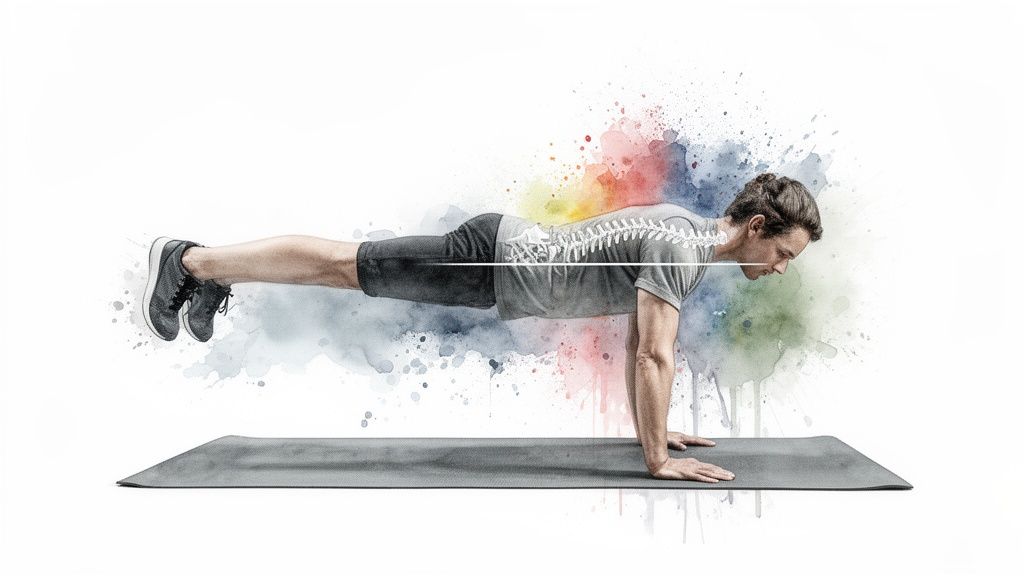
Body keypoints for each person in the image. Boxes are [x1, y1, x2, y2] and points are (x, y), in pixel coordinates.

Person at [142, 172, 822, 483]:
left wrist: (655, 430)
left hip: (498, 264)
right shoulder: (681, 248)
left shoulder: (685, 237)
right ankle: (192, 261)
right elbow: (653, 355)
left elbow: (638, 343)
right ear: (758, 227)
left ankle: (207, 272)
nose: (782, 268)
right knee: (342, 266)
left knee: (344, 268)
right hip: (490, 262)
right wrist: (657, 460)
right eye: (784, 254)